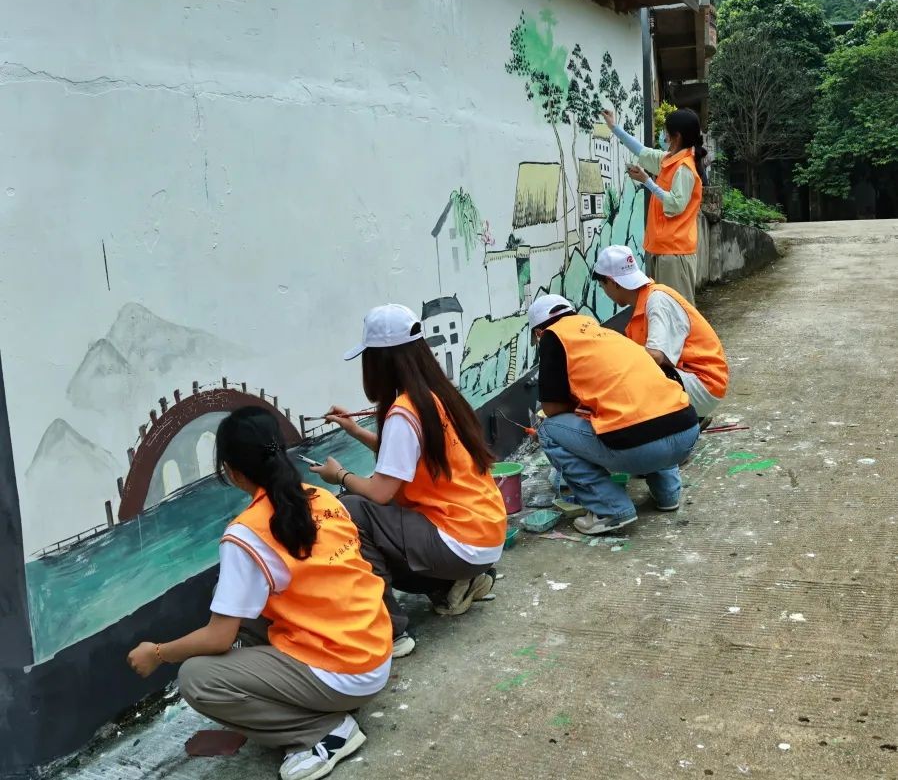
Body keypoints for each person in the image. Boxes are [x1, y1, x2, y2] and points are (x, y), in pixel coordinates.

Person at [127, 407, 392, 780]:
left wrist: (157, 653)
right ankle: (319, 700)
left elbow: (218, 638)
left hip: (346, 671)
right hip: (375, 648)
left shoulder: (246, 533)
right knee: (233, 604)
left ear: (232, 472)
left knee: (197, 678)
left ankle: (321, 732)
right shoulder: (322, 498)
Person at [311, 304, 506, 658]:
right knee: (374, 516)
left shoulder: (404, 410)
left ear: (380, 361)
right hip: (485, 533)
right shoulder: (437, 395)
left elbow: (381, 491)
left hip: (460, 541)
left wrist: (338, 474)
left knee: (349, 510)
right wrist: (354, 430)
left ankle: (391, 630)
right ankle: (453, 586)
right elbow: (401, 459)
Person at [531, 294, 699, 535]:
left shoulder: (552, 337)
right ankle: (668, 494)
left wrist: (578, 412)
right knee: (647, 410)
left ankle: (610, 510)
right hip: (686, 432)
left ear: (538, 332)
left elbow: (552, 409)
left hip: (638, 447)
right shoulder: (606, 334)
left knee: (548, 430)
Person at [593, 244, 729, 423]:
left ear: (612, 282)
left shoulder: (657, 300)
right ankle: (683, 421)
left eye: (602, 286)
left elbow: (656, 356)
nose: (605, 292)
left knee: (632, 378)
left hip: (704, 384)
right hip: (694, 379)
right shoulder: (646, 302)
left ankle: (682, 422)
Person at [602, 106, 707, 305]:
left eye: (666, 132)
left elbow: (675, 204)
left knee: (677, 310)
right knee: (664, 308)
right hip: (663, 250)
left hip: (674, 253)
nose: (663, 136)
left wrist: (647, 182)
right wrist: (614, 127)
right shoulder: (669, 160)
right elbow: (642, 151)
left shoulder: (685, 168)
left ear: (676, 136)